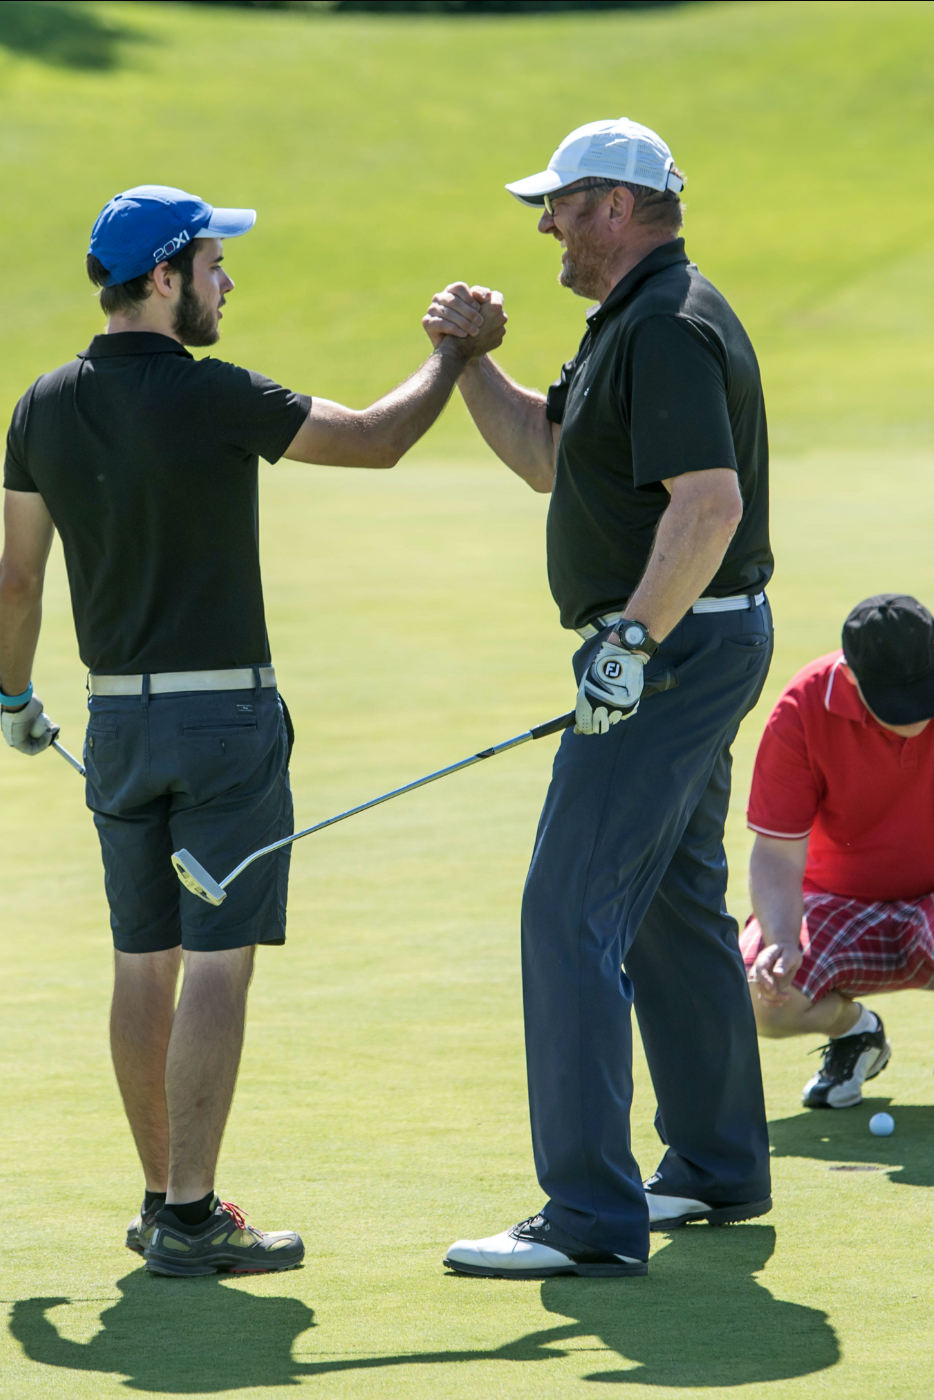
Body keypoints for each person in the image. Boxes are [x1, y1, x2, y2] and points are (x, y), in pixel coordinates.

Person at [0, 183, 504, 1277]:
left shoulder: (40, 406)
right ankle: (192, 1215)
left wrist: (10, 698)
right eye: (214, 265)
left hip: (116, 724)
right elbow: (375, 439)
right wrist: (454, 355)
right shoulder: (213, 392)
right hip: (224, 722)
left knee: (143, 962)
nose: (228, 283)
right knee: (218, 965)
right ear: (165, 277)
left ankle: (160, 1200)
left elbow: (16, 580)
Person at [422, 117, 775, 1280]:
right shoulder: (632, 318)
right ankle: (715, 1161)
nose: (545, 226)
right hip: (689, 644)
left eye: (561, 204)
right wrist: (469, 359)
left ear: (616, 206)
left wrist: (628, 640)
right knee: (670, 899)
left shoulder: (665, 324)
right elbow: (546, 455)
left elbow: (708, 505)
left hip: (672, 652)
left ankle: (586, 1216)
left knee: (566, 906)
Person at [741, 593, 934, 1108]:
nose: (914, 715)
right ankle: (856, 1033)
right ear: (850, 677)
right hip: (836, 901)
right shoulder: (802, 708)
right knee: (761, 996)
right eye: (896, 699)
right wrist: (782, 939)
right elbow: (777, 852)